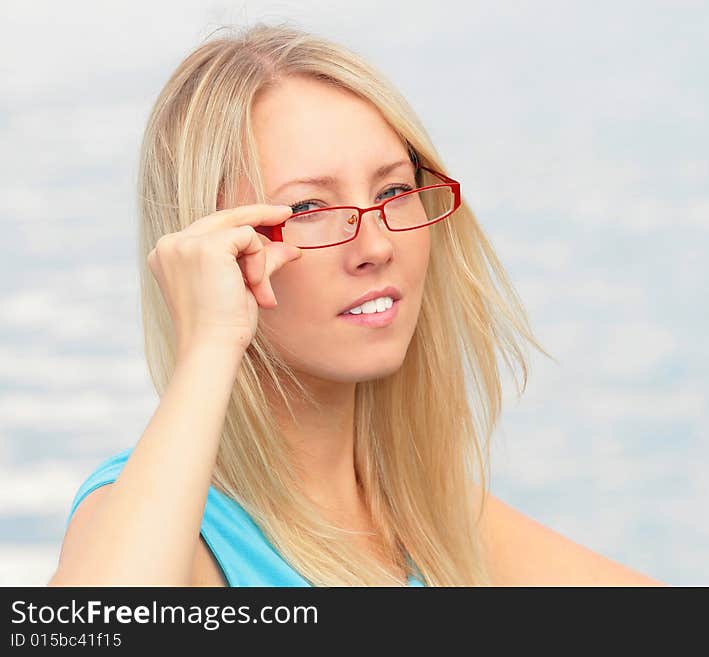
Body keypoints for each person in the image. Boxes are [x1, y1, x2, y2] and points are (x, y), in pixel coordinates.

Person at [49, 23, 661, 587]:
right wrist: (208, 343)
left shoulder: (428, 516)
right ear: (213, 251)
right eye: (309, 209)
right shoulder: (171, 531)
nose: (376, 245)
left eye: (394, 190)